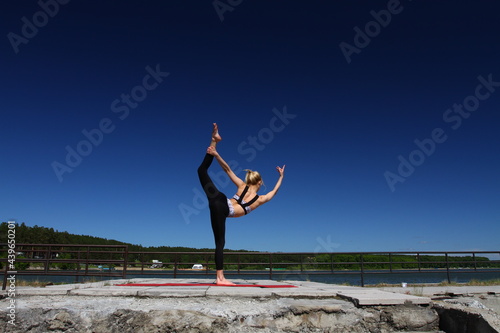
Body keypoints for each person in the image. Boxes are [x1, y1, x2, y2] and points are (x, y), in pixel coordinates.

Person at [197, 123, 285, 285]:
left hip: (220, 199)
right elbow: (274, 192)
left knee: (202, 171)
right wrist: (281, 177)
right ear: (260, 182)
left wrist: (216, 154)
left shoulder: (241, 186)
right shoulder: (260, 199)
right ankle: (220, 279)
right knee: (220, 243)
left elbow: (227, 169)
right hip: (221, 207)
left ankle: (214, 140)